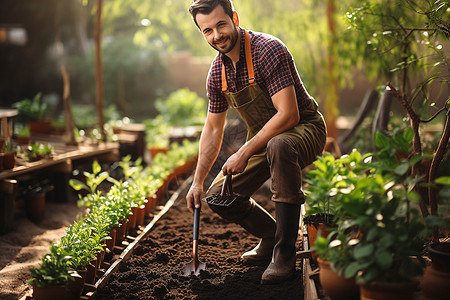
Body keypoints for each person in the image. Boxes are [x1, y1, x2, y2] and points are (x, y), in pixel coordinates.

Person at [186, 0, 327, 284]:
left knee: (280, 145)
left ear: (234, 17)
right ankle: (271, 236)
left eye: (221, 25)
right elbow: (213, 130)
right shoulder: (217, 73)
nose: (216, 36)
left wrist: (244, 151)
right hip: (265, 138)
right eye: (207, 31)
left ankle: (285, 253)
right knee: (219, 197)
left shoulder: (268, 50)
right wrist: (198, 181)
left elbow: (288, 115)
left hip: (304, 128)